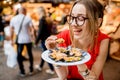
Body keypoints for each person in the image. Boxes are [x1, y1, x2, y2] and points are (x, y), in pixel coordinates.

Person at [45, 0, 110, 80]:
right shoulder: (64, 36)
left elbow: (93, 78)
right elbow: (63, 76)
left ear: (97, 22)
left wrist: (77, 58)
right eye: (72, 17)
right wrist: (55, 53)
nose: (73, 24)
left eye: (81, 18)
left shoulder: (103, 40)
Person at [10, 7, 35, 77]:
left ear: (18, 11)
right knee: (30, 54)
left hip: (19, 40)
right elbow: (32, 29)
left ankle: (22, 71)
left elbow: (11, 30)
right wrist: (33, 37)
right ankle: (31, 70)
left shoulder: (13, 18)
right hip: (28, 39)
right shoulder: (28, 18)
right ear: (24, 11)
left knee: (19, 55)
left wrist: (11, 40)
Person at [35, 7, 54, 74]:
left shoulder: (42, 20)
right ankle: (40, 66)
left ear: (39, 12)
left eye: (37, 12)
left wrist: (36, 41)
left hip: (44, 40)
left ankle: (52, 69)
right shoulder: (48, 18)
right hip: (48, 38)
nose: (37, 13)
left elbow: (40, 32)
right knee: (45, 53)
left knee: (46, 55)